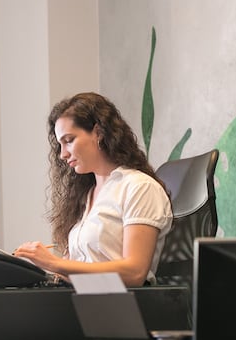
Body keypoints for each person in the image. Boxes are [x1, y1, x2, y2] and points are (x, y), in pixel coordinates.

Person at [13, 92, 172, 287]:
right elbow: (82, 271)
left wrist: (55, 263)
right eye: (60, 144)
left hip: (120, 302)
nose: (62, 154)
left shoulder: (140, 187)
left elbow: (135, 272)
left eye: (69, 140)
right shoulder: (87, 195)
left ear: (98, 133)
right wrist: (47, 271)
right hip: (84, 296)